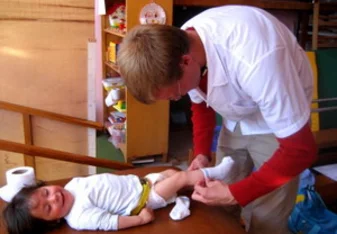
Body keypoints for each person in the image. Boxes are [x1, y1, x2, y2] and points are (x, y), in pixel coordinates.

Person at [117, 5, 318, 234]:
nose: (177, 97)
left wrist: (236, 194)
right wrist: (202, 152)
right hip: (241, 105)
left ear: (185, 62)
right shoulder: (178, 44)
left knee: (267, 213)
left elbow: (301, 150)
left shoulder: (256, 58)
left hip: (276, 116)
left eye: (177, 92)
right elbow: (200, 104)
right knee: (219, 194)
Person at [2, 158, 234, 234]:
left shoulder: (72, 184)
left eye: (46, 192)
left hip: (144, 182)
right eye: (48, 208)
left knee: (174, 173)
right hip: (145, 198)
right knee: (181, 178)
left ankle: (198, 188)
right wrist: (141, 219)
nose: (53, 198)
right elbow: (110, 223)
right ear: (53, 221)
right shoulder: (79, 216)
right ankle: (215, 172)